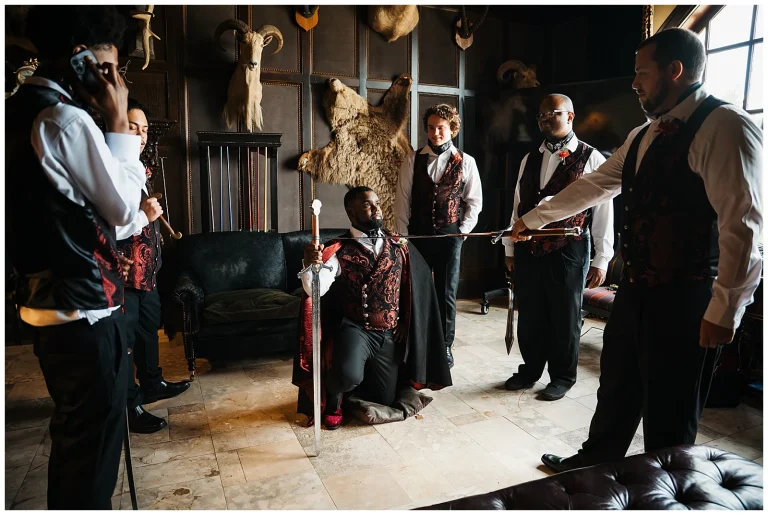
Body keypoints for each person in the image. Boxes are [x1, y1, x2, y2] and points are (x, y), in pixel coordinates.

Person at [507, 28, 763, 472]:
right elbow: (594, 185)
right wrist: (532, 219)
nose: (634, 83)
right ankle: (594, 465)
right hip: (637, 290)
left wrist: (725, 311)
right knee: (618, 385)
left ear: (675, 71)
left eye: (642, 72)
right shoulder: (643, 135)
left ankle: (663, 486)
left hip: (689, 299)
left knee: (670, 409)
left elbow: (744, 228)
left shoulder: (727, 127)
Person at [5, 6, 146, 509]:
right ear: (81, 59)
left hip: (43, 304)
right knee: (92, 453)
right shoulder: (65, 121)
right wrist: (117, 123)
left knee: (75, 439)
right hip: (84, 307)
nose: (115, 79)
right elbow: (126, 210)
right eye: (110, 67)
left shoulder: (18, 107)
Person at [292, 187, 452, 429]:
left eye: (377, 202)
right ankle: (334, 399)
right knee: (349, 376)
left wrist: (407, 321)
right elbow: (315, 290)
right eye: (368, 205)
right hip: (356, 329)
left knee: (384, 399)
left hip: (388, 332)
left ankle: (354, 386)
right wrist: (309, 264)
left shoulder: (398, 244)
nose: (377, 208)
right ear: (351, 212)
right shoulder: (339, 249)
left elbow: (416, 287)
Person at [502, 94, 614, 400]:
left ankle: (563, 376)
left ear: (570, 116)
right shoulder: (529, 158)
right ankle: (530, 370)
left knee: (565, 317)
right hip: (528, 250)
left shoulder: (591, 158)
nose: (544, 119)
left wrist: (602, 258)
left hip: (569, 250)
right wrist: (510, 250)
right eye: (540, 115)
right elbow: (518, 207)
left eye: (552, 113)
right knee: (531, 315)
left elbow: (603, 212)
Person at [116, 99, 190, 434]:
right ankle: (129, 406)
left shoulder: (139, 167)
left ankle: (152, 383)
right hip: (124, 273)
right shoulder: (113, 169)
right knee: (126, 342)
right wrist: (144, 215)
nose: (141, 135)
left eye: (144, 129)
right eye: (134, 127)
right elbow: (109, 226)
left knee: (149, 332)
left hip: (148, 273)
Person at [394, 104, 483, 367]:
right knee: (416, 290)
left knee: (446, 292)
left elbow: (474, 202)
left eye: (441, 128)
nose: (435, 133)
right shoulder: (413, 159)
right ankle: (417, 342)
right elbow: (402, 200)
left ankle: (444, 346)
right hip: (417, 236)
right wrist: (402, 236)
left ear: (452, 128)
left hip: (449, 236)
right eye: (431, 128)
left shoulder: (466, 162)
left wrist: (462, 232)